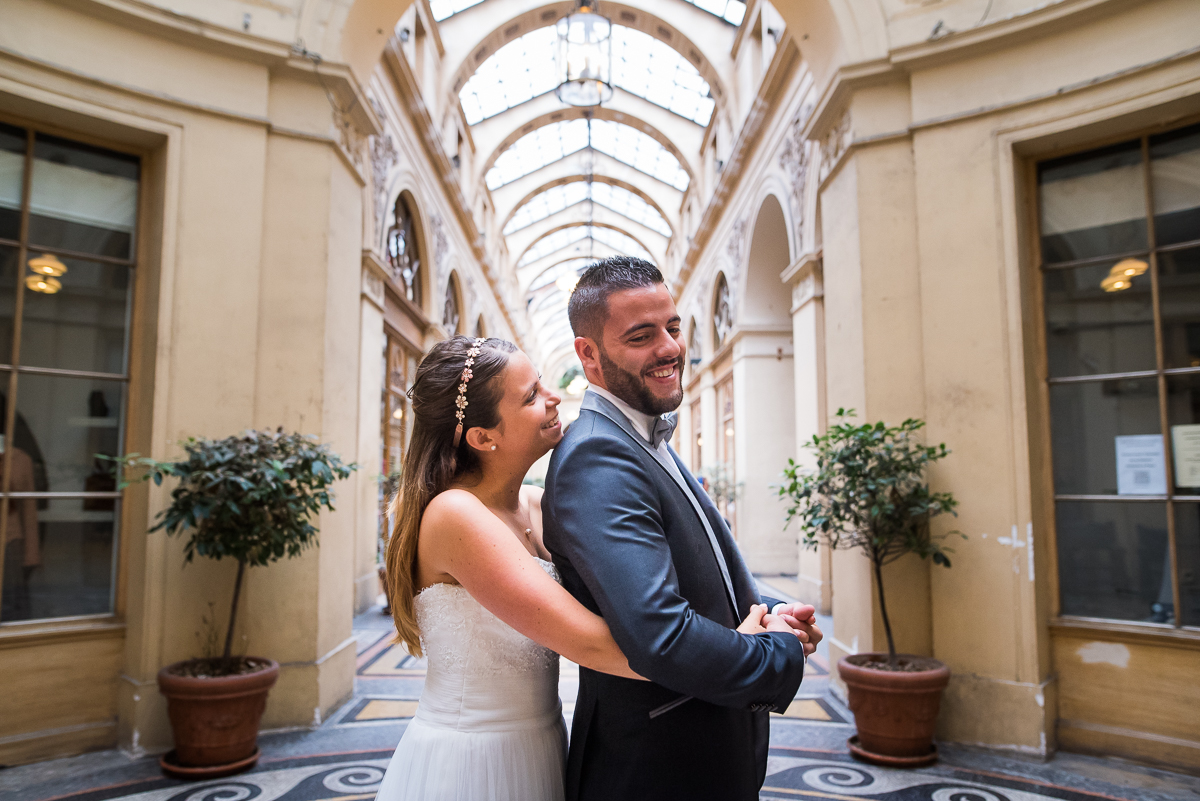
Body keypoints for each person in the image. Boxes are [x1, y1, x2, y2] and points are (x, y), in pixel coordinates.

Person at [375, 335, 802, 801]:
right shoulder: (454, 514)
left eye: (542, 383)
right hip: (473, 760)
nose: (555, 397)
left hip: (543, 743)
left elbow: (653, 572)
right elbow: (592, 644)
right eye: (531, 396)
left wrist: (772, 608)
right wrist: (742, 649)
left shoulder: (535, 506)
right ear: (483, 437)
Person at [542, 257, 822, 801]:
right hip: (658, 767)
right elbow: (660, 636)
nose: (670, 348)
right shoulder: (598, 455)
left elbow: (698, 570)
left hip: (700, 750)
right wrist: (779, 653)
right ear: (589, 355)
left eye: (672, 327)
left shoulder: (644, 436)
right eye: (642, 336)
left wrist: (768, 611)